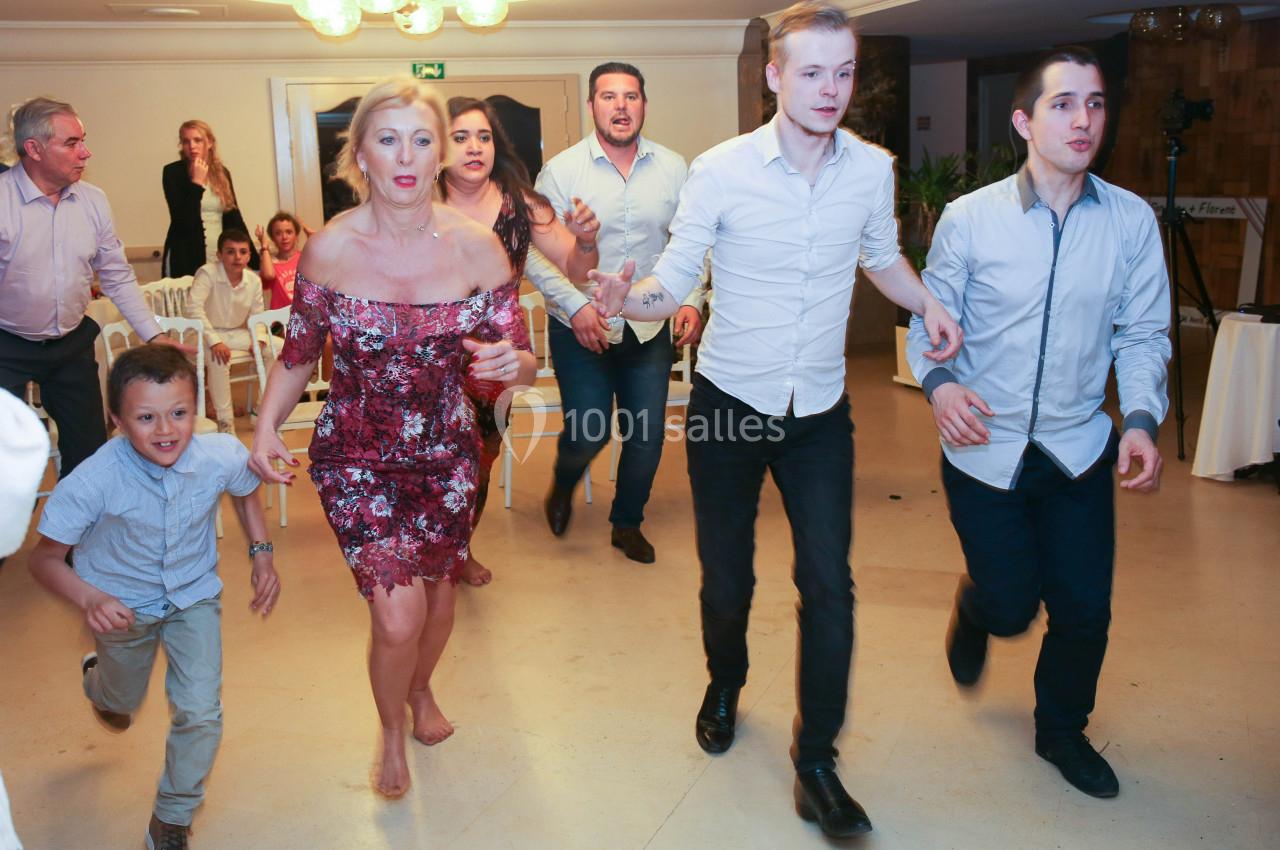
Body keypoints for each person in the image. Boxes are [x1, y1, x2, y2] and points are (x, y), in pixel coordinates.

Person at [588, 3, 962, 837]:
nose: (829, 90)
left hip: (820, 413)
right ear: (773, 76)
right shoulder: (720, 170)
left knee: (830, 584)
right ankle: (726, 680)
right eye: (810, 72)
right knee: (728, 580)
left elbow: (880, 257)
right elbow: (674, 278)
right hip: (729, 407)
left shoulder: (871, 170)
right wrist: (628, 298)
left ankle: (817, 761)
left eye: (843, 72)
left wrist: (927, 298)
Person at [249, 76, 535, 799]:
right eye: (387, 139)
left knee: (437, 602)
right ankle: (388, 728)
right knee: (398, 610)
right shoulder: (329, 250)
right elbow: (297, 354)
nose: (405, 156)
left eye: (420, 139)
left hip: (446, 454)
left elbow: (519, 355)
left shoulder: (477, 250)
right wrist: (262, 429)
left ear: (440, 152)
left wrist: (515, 364)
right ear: (359, 157)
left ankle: (419, 691)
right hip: (356, 455)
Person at [906, 46, 1170, 800]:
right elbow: (932, 321)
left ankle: (1061, 731)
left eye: (1094, 103)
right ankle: (978, 605)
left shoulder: (1129, 222)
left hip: (1078, 447)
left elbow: (1144, 332)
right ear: (1024, 121)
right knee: (1014, 605)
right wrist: (941, 385)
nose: (1083, 119)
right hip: (982, 449)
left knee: (1086, 610)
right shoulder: (970, 219)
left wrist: (1142, 419)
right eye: (1063, 104)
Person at [28, 344, 281, 850]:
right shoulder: (93, 480)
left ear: (197, 406)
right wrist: (89, 598)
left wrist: (261, 552)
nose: (166, 430)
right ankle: (99, 683)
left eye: (179, 413)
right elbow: (43, 560)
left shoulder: (219, 452)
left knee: (201, 710)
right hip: (121, 609)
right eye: (146, 417)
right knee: (121, 702)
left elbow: (243, 485)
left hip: (193, 597)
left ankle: (171, 819)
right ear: (117, 419)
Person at [524, 61, 707, 565]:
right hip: (579, 327)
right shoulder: (562, 171)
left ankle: (627, 522)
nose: (620, 106)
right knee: (588, 430)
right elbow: (537, 252)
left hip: (648, 327)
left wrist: (690, 299)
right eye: (609, 97)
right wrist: (577, 305)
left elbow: (688, 247)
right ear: (592, 107)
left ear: (644, 104)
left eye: (630, 96)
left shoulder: (674, 168)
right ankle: (563, 484)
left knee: (646, 436)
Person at [438, 95, 600, 586]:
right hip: (431, 347)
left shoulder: (520, 202)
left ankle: (460, 548)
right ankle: (435, 550)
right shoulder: (417, 203)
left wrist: (587, 240)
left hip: (500, 354)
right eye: (460, 137)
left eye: (484, 137)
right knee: (437, 456)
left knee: (480, 456)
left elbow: (578, 267)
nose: (474, 148)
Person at [1, 97, 187, 480]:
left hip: (71, 344)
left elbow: (116, 274)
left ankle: (76, 539)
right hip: (6, 346)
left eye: (83, 140)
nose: (85, 152)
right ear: (33, 149)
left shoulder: (93, 201)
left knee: (88, 450)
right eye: (71, 143)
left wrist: (154, 334)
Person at [185, 228, 271, 433]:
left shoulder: (253, 280)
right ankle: (226, 425)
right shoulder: (208, 273)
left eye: (243, 252)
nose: (237, 257)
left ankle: (261, 411)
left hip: (234, 333)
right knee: (219, 357)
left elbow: (257, 316)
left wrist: (258, 338)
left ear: (250, 255)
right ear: (219, 255)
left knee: (278, 348)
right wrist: (214, 341)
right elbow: (193, 308)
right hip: (199, 335)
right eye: (231, 251)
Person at [161, 120, 258, 278]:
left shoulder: (222, 173)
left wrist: (255, 262)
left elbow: (234, 218)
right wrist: (196, 184)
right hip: (186, 255)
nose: (192, 146)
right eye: (186, 141)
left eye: (197, 140)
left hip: (221, 254)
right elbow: (183, 220)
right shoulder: (173, 173)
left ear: (210, 142)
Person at [255, 211, 313, 310]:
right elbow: (269, 275)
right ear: (272, 238)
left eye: (289, 232)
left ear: (296, 235)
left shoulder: (304, 258)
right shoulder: (269, 263)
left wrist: (308, 232)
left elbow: (323, 254)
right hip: (280, 321)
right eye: (278, 233)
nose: (284, 237)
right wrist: (264, 246)